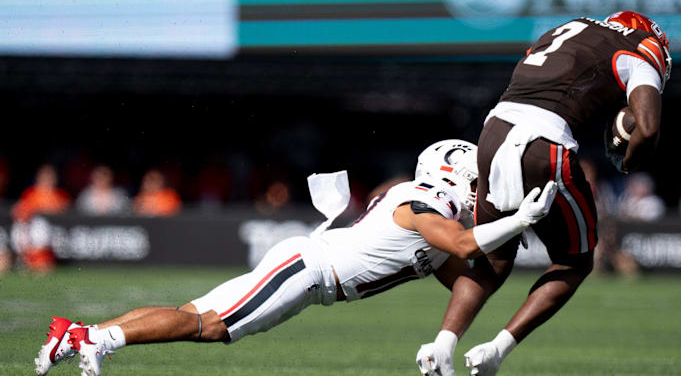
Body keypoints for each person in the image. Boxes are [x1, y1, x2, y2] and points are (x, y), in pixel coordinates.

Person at [34, 139, 557, 376]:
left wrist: (508, 244)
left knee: (196, 315)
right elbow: (465, 246)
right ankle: (95, 340)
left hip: (310, 270)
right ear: (451, 175)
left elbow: (467, 279)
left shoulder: (430, 213)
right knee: (209, 326)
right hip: (309, 272)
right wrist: (518, 220)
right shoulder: (420, 203)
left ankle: (75, 335)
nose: (478, 191)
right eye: (474, 180)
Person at [417, 11, 670, 376]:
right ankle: (496, 351)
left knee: (494, 261)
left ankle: (441, 345)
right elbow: (647, 128)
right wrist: (628, 161)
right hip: (545, 141)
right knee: (575, 262)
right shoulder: (641, 46)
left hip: (494, 130)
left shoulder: (570, 28)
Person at [11, 164, 71, 272]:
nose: (48, 180)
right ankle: (28, 260)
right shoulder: (31, 193)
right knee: (33, 226)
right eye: (45, 177)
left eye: (50, 177)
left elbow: (67, 215)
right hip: (31, 232)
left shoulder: (61, 195)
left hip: (54, 236)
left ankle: (40, 260)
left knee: (41, 227)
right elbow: (19, 211)